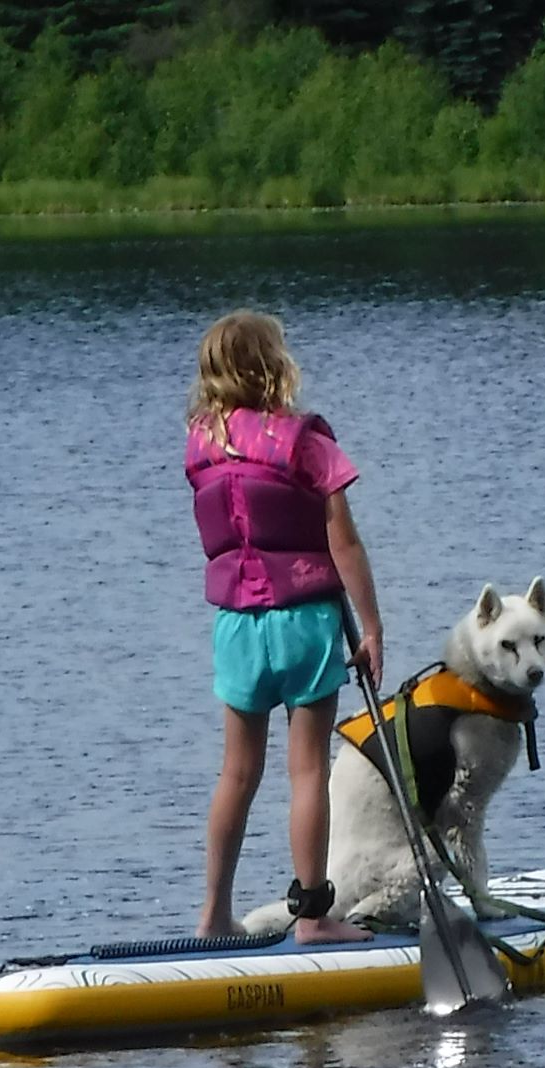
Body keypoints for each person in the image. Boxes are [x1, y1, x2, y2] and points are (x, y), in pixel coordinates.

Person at [184, 310, 382, 944]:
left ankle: (214, 914)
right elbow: (342, 542)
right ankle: (314, 917)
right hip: (304, 622)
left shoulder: (201, 443)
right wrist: (372, 626)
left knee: (236, 774)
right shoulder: (304, 440)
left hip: (237, 626)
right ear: (273, 365)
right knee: (306, 771)